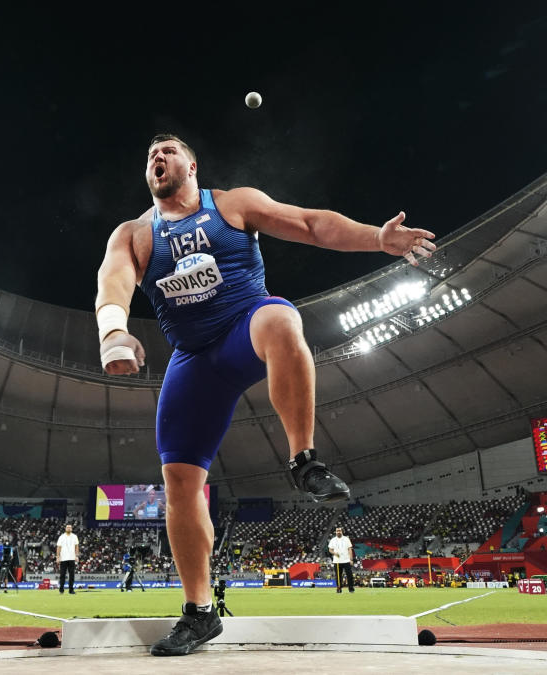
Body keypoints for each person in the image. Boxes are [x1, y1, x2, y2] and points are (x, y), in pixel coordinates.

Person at [95, 134, 436, 657]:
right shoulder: (137, 235)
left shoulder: (233, 204)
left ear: (192, 163)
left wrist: (377, 239)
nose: (156, 158)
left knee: (281, 317)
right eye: (149, 156)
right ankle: (199, 612)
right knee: (179, 479)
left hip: (243, 328)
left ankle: (303, 460)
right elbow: (113, 281)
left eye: (167, 151)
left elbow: (309, 223)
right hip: (193, 359)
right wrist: (113, 333)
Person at [328, 527, 355, 593]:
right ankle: (339, 589)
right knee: (338, 576)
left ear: (342, 531)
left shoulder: (346, 539)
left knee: (349, 575)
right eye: (337, 531)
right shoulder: (333, 540)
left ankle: (351, 589)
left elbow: (350, 549)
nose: (338, 532)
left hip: (346, 560)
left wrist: (351, 559)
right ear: (335, 532)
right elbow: (330, 550)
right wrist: (335, 553)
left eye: (339, 531)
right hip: (337, 561)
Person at [56, 523, 80, 594]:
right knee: (62, 575)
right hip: (63, 558)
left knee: (72, 575)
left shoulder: (74, 536)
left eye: (70, 527)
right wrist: (57, 557)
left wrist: (76, 556)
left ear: (71, 529)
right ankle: (61, 589)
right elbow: (58, 547)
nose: (69, 528)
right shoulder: (61, 537)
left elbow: (76, 546)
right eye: (67, 527)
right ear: (65, 529)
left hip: (72, 558)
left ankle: (71, 590)